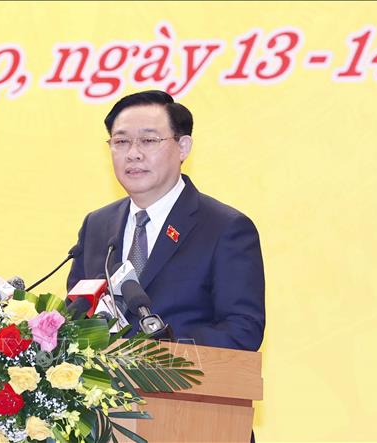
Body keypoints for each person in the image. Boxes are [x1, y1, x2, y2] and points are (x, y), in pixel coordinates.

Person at [67, 90, 265, 352]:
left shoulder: (225, 228)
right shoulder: (97, 225)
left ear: (183, 147)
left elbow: (242, 331)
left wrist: (156, 352)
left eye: (148, 140)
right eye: (121, 141)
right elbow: (75, 319)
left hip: (182, 376)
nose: (133, 154)